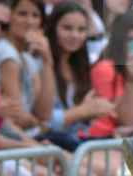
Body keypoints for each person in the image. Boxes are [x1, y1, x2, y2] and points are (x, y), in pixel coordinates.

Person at [44, 1, 117, 148]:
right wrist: (82, 111)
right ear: (52, 28)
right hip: (49, 145)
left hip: (76, 141)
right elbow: (42, 121)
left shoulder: (80, 66)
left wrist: (93, 111)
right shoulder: (42, 63)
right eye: (67, 28)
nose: (75, 35)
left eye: (81, 29)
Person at [87, 10, 133, 139]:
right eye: (132, 40)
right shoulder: (105, 68)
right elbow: (127, 120)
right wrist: (131, 81)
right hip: (104, 139)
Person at [0, 0, 55, 132]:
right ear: (9, 16)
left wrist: (47, 60)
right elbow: (16, 116)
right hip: (16, 141)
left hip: (29, 136)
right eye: (22, 14)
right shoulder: (6, 52)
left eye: (35, 15)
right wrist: (38, 124)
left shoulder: (28, 58)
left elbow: (44, 113)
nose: (29, 21)